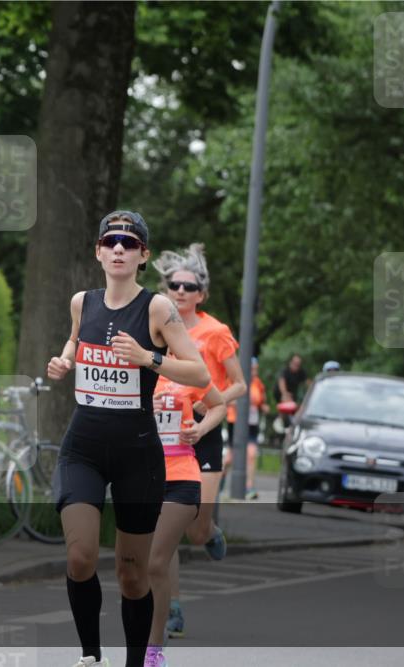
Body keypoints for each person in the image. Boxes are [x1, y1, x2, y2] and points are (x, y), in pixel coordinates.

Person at [46, 211, 209, 667]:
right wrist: (63, 361)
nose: (119, 248)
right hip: (84, 447)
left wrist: (147, 357)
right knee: (80, 556)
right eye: (111, 241)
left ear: (143, 256)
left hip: (138, 451)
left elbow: (199, 371)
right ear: (98, 251)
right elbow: (75, 343)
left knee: (133, 575)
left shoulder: (157, 308)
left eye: (130, 243)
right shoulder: (83, 301)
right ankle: (91, 655)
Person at [151, 243, 246, 640]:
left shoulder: (215, 332)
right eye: (174, 285)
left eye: (189, 287)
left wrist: (209, 411)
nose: (181, 291)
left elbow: (238, 383)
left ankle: (209, 532)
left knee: (194, 527)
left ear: (200, 295)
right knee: (167, 528)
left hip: (204, 428)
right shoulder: (154, 327)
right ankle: (171, 606)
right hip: (163, 436)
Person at [146, 373, 226, 667]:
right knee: (135, 567)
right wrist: (142, 407)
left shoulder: (187, 370)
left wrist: (201, 428)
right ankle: (148, 631)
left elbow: (218, 405)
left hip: (181, 476)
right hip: (140, 476)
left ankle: (154, 650)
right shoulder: (135, 369)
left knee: (156, 562)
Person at [222, 357, 269, 499]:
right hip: (235, 422)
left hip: (251, 423)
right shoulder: (233, 381)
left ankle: (249, 488)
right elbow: (224, 398)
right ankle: (219, 484)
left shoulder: (258, 384)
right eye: (253, 369)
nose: (255, 371)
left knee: (251, 454)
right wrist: (241, 403)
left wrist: (263, 407)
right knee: (230, 458)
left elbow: (262, 401)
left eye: (256, 369)